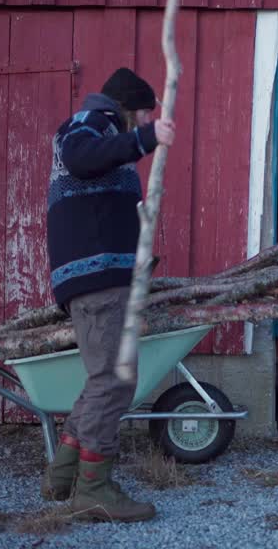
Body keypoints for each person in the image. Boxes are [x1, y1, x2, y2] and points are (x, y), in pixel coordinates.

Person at [40, 67, 175, 522]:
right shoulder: (88, 126)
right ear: (126, 106)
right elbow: (79, 157)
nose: (144, 121)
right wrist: (146, 139)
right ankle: (94, 489)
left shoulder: (101, 132)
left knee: (101, 380)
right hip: (96, 278)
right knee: (115, 381)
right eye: (142, 113)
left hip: (104, 277)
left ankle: (62, 478)